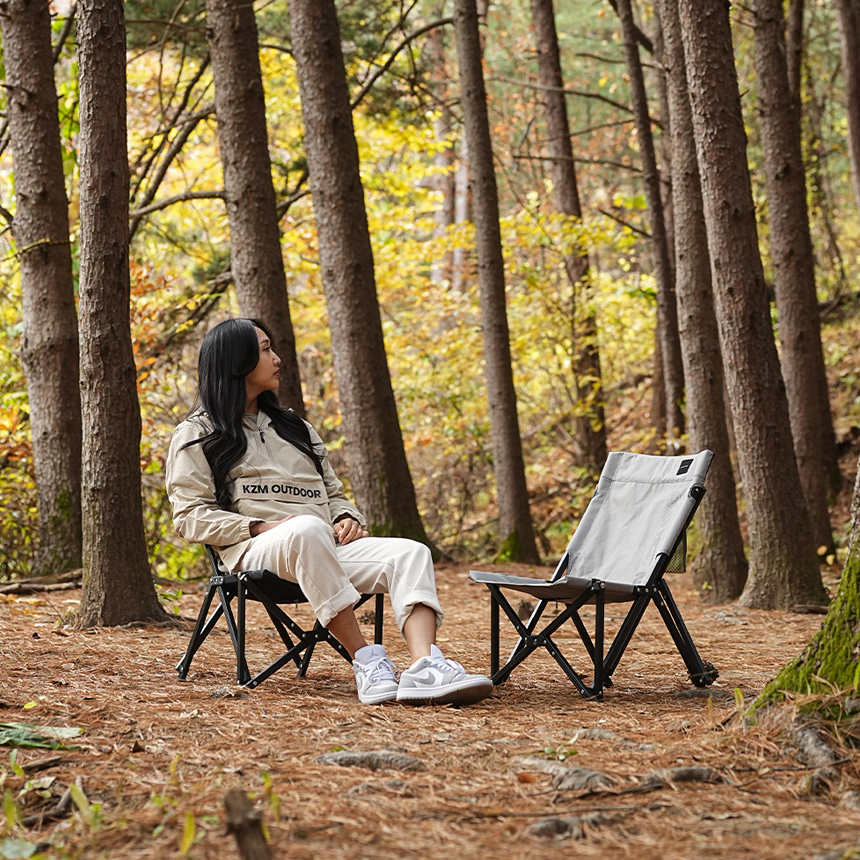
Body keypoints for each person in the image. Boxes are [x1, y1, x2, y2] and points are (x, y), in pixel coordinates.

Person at [166, 317, 493, 707]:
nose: (278, 358)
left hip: (325, 547)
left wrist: (345, 518)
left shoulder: (297, 429)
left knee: (410, 552)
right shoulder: (198, 434)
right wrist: (260, 525)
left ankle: (425, 666)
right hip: (255, 551)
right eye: (266, 349)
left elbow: (334, 494)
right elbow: (189, 517)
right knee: (306, 529)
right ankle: (368, 662)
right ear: (237, 361)